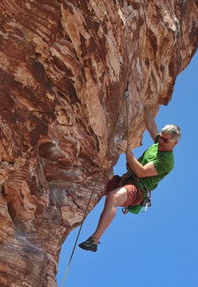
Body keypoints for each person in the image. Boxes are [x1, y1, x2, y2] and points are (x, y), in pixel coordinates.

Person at [78, 105, 181, 252]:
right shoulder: (160, 142)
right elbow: (151, 126)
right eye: (161, 137)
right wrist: (143, 105)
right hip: (127, 180)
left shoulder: (167, 161)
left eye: (166, 141)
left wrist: (127, 151)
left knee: (113, 198)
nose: (161, 142)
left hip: (138, 188)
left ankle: (94, 240)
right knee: (95, 181)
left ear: (175, 143)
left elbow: (141, 172)